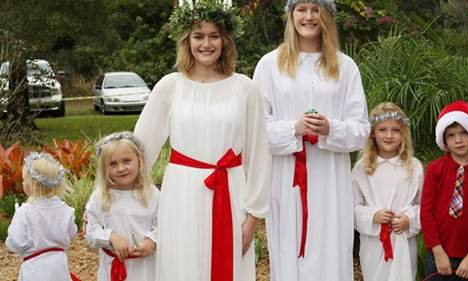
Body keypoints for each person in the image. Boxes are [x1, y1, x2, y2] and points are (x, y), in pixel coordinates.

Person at [133, 1, 272, 280]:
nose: (206, 44)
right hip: (182, 193)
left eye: (214, 36)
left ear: (225, 40)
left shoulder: (245, 88)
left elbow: (258, 154)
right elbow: (140, 148)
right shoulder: (170, 86)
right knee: (181, 266)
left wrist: (253, 216)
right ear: (187, 41)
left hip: (230, 193)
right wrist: (114, 196)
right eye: (198, 36)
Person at [252, 1, 370, 280]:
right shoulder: (270, 65)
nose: (308, 16)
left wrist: (331, 128)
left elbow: (361, 128)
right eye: (301, 9)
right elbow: (256, 129)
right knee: (289, 248)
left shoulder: (345, 66)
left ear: (326, 15)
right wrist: (294, 128)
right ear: (290, 15)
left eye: (315, 9)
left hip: (331, 178)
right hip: (286, 178)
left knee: (331, 247)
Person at [420, 100, 468, 280]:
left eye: (464, 133)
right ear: (444, 140)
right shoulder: (435, 169)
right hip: (438, 255)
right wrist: (437, 251)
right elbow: (426, 212)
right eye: (451, 135)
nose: (458, 140)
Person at [352, 102, 423, 281]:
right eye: (382, 129)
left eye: (395, 130)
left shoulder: (414, 167)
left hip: (404, 242)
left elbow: (424, 205)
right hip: (373, 244)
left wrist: (410, 219)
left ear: (403, 134)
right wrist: (373, 215)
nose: (389, 135)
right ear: (373, 133)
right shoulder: (362, 168)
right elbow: (352, 207)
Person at [85, 131, 159, 281]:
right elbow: (90, 229)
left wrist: (152, 240)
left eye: (127, 161)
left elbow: (164, 223)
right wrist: (110, 236)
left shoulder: (152, 193)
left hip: (145, 267)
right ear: (105, 168)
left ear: (139, 160)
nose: (121, 168)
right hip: (113, 266)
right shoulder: (100, 197)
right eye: (113, 164)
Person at [6, 152, 78, 281]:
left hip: (35, 268)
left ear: (30, 185)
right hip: (58, 266)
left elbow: (15, 242)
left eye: (24, 181)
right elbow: (72, 233)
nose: (23, 184)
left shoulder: (24, 212)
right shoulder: (66, 210)